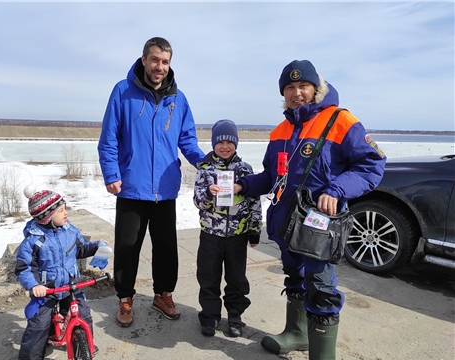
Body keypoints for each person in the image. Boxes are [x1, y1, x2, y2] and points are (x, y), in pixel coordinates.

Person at [234, 60, 386, 359]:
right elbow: (270, 176)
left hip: (319, 227)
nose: (296, 93)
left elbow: (372, 164)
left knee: (321, 287)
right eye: (289, 88)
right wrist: (244, 185)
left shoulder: (340, 120)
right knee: (294, 276)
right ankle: (297, 332)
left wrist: (336, 189)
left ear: (316, 88)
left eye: (303, 85)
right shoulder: (280, 130)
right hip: (286, 223)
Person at [97, 36, 205, 327]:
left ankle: (162, 294)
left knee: (167, 247)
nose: (160, 67)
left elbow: (188, 140)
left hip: (165, 188)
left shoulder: (178, 99)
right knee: (128, 247)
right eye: (155, 60)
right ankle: (125, 298)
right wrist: (111, 173)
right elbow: (108, 138)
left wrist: (206, 163)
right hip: (131, 186)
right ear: (144, 60)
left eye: (165, 62)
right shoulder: (123, 92)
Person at [15, 186, 110, 360]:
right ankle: (30, 356)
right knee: (39, 323)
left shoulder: (70, 231)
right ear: (47, 217)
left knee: (83, 313)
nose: (66, 213)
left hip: (70, 285)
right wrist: (34, 285)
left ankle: (85, 345)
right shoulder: (34, 240)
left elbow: (80, 250)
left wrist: (96, 246)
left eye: (65, 208)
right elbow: (24, 267)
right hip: (47, 289)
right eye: (61, 210)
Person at [193, 119, 262, 338]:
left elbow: (255, 202)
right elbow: (197, 201)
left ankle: (235, 316)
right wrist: (208, 194)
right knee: (208, 276)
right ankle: (210, 316)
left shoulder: (245, 169)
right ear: (213, 144)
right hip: (210, 234)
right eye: (220, 142)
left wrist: (254, 229)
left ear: (236, 144)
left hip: (237, 236)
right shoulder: (205, 169)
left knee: (236, 278)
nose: (225, 146)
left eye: (229, 142)